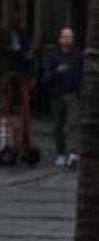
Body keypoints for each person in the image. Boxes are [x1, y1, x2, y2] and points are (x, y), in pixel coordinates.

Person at [43, 26, 82, 168]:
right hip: (57, 94)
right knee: (58, 126)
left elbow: (81, 73)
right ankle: (61, 153)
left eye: (70, 37)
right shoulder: (53, 55)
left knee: (72, 124)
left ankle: (72, 153)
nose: (67, 39)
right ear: (60, 39)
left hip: (72, 94)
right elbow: (46, 76)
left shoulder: (77, 54)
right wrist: (56, 72)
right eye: (65, 37)